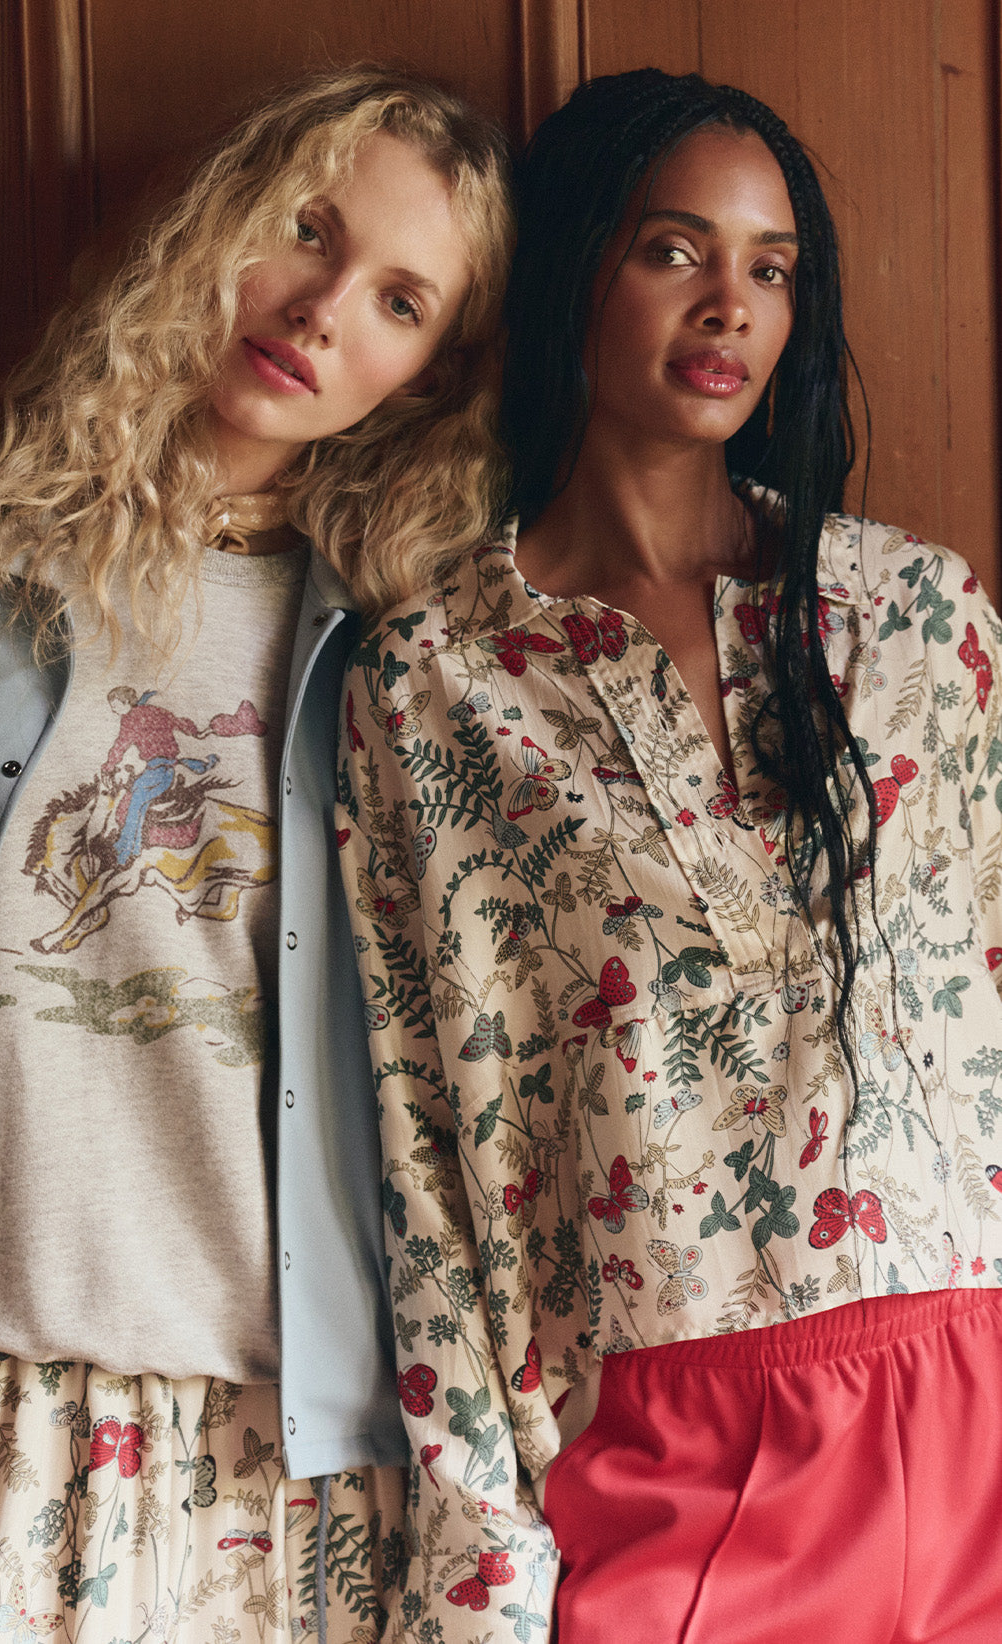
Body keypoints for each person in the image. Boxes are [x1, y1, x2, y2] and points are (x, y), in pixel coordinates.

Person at [337, 66, 1002, 1644]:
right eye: (675, 251)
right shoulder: (438, 680)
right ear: (575, 264)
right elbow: (433, 1142)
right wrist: (485, 1565)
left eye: (773, 269)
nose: (733, 307)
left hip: (979, 1387)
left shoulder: (919, 622)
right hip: (671, 1437)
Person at [0, 64, 511, 1643]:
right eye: (308, 229)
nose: (319, 308)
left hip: (281, 1455)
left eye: (397, 300)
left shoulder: (407, 653)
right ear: (218, 215)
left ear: (429, 375)